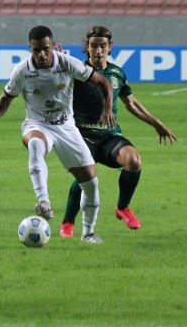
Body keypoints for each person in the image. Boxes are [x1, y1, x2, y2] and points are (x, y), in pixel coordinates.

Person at [0, 25, 116, 244]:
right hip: (37, 124)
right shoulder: (22, 71)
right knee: (35, 144)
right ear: (30, 48)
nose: (42, 54)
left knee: (91, 183)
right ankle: (43, 202)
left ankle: (88, 233)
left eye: (46, 49)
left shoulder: (66, 63)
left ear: (53, 46)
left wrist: (107, 108)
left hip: (66, 127)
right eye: (36, 50)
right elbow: (7, 98)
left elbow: (103, 82)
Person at [59, 26, 177, 237]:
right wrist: (57, 65)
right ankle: (68, 223)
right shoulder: (76, 70)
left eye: (102, 46)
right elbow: (55, 86)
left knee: (134, 161)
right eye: (93, 46)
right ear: (86, 48)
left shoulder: (117, 73)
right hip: (82, 136)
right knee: (87, 176)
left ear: (110, 47)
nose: (98, 51)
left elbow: (131, 103)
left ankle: (122, 208)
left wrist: (156, 124)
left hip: (109, 136)